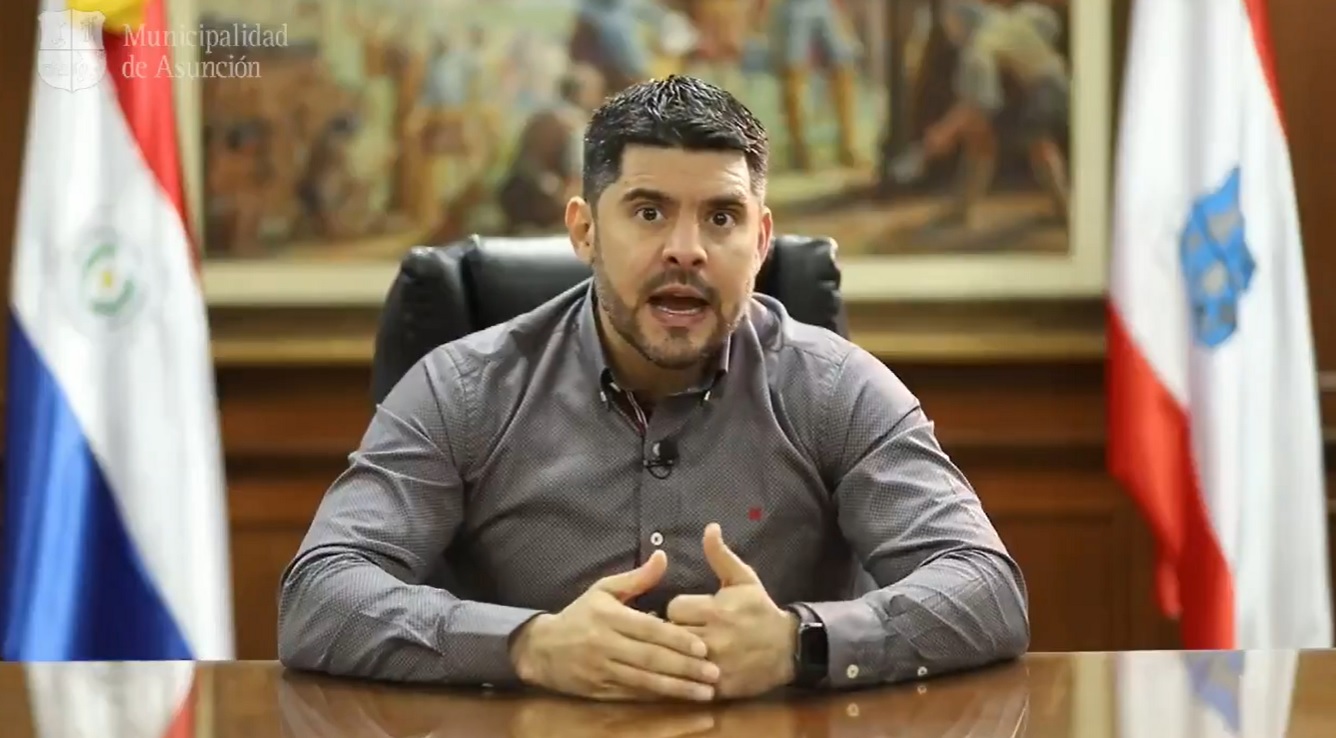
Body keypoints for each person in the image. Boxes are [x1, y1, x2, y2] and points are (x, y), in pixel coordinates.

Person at [277, 75, 1029, 701]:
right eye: (648, 212)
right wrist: (527, 645)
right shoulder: (464, 389)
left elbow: (986, 588)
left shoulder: (834, 388)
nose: (686, 250)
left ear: (761, 240)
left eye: (722, 217)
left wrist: (800, 642)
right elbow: (319, 596)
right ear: (585, 231)